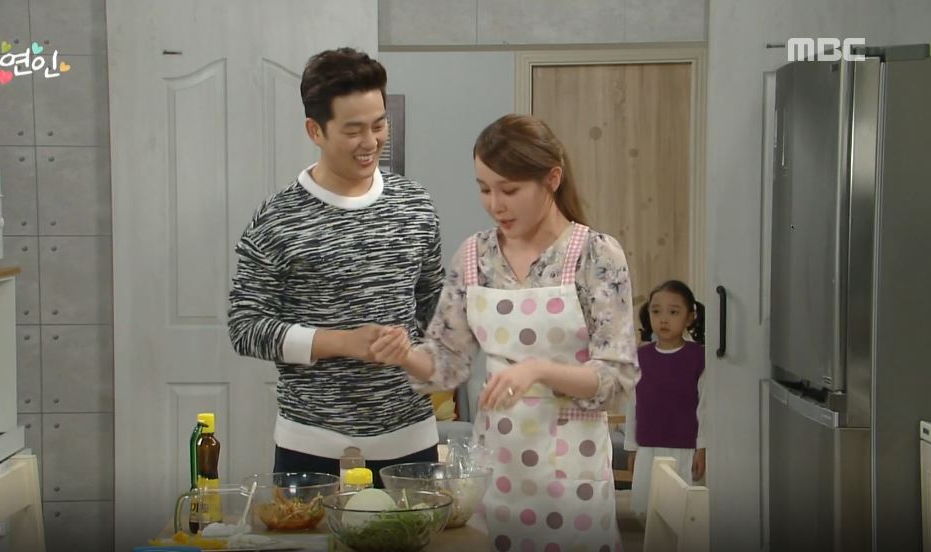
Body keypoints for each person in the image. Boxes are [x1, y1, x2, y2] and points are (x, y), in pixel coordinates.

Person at [371, 114, 639, 550]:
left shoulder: (595, 255)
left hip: (573, 481)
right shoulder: (474, 256)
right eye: (484, 188)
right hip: (494, 474)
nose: (495, 205)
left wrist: (537, 370)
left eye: (509, 190)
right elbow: (446, 364)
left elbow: (617, 379)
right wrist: (403, 353)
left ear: (552, 179)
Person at [226, 47, 444, 485]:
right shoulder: (278, 217)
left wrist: (417, 351)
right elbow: (245, 328)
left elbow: (436, 310)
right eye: (353, 130)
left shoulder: (415, 205)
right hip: (311, 449)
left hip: (411, 444)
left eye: (379, 125)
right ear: (315, 130)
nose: (371, 142)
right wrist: (342, 342)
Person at [623, 280, 706, 516]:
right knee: (649, 514)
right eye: (656, 311)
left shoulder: (699, 357)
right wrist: (632, 448)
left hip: (686, 450)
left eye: (673, 312)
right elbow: (633, 405)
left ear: (689, 317)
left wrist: (703, 448)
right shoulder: (640, 357)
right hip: (648, 448)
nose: (663, 319)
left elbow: (706, 407)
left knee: (684, 515)